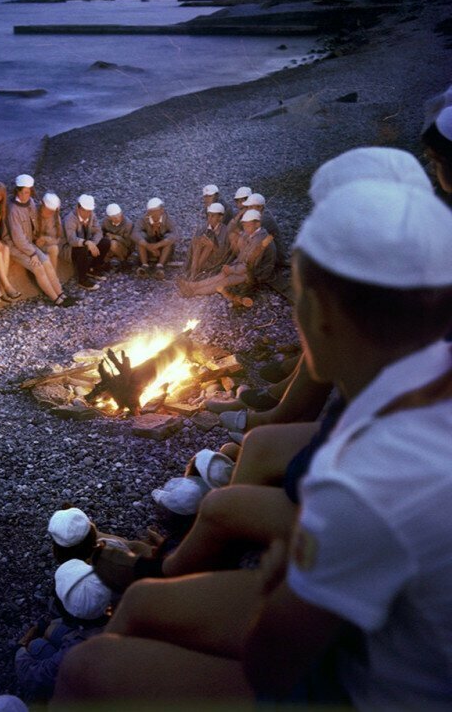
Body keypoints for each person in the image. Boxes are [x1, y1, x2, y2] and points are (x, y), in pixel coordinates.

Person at [53, 165, 452, 709]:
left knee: (85, 668)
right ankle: (164, 581)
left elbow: (276, 659)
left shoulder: (372, 482)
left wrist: (280, 577)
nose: (300, 322)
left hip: (357, 678)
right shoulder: (416, 384)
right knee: (149, 595)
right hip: (360, 623)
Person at [15, 559, 111, 702]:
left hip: (94, 687)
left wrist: (21, 649)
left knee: (36, 646)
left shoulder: (77, 650)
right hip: (100, 638)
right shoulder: (123, 603)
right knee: (52, 629)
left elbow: (36, 677)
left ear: (68, 614)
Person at [177, 209, 276, 307]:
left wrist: (233, 270)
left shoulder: (260, 239)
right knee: (222, 275)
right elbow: (243, 257)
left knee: (225, 280)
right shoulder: (252, 233)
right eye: (244, 225)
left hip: (257, 274)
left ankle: (194, 292)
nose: (245, 228)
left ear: (257, 224)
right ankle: (192, 286)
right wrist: (232, 268)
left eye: (248, 226)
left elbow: (251, 264)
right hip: (246, 268)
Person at [5, 175, 75, 307]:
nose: (27, 195)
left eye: (29, 191)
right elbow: (18, 238)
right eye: (24, 192)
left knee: (46, 262)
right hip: (16, 246)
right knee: (38, 267)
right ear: (17, 191)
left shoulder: (30, 202)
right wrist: (32, 253)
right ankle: (56, 299)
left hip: (28, 244)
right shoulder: (13, 210)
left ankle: (61, 293)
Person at [62, 194, 110, 291]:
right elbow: (72, 240)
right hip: (69, 248)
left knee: (105, 242)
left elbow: (98, 231)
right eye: (86, 211)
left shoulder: (92, 215)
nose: (88, 213)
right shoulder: (70, 219)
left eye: (90, 211)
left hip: (86, 243)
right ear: (79, 208)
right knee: (82, 249)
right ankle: (82, 279)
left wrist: (93, 243)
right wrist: (86, 243)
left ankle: (93, 268)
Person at [134, 197, 178, 279]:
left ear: (162, 210)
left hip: (162, 249)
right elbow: (135, 233)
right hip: (148, 247)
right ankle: (144, 265)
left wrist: (157, 245)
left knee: (169, 239)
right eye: (151, 211)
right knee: (141, 237)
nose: (153, 214)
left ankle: (160, 266)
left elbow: (175, 235)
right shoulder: (143, 219)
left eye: (155, 211)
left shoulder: (168, 219)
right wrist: (148, 246)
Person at [185, 202, 231, 280]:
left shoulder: (226, 231)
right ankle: (194, 272)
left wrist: (212, 246)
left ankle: (194, 273)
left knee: (209, 245)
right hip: (200, 258)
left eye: (213, 216)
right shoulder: (203, 228)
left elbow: (224, 254)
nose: (209, 218)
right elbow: (192, 249)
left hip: (215, 261)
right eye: (208, 215)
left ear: (220, 218)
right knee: (198, 241)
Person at [243, 192, 286, 266]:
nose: (247, 210)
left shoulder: (264, 219)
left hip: (274, 256)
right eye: (247, 207)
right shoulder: (259, 214)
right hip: (267, 245)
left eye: (250, 207)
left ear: (260, 207)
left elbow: (251, 235)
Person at [35, 192, 64, 272]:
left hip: (47, 244)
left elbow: (58, 238)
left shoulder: (55, 218)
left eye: (52, 211)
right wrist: (37, 240)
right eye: (48, 210)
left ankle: (53, 277)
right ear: (42, 205)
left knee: (54, 249)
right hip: (33, 246)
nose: (49, 213)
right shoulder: (34, 213)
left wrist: (46, 239)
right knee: (45, 258)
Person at [101, 203, 135, 268]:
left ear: (121, 213)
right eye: (114, 217)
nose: (117, 219)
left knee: (113, 244)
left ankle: (123, 261)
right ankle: (106, 261)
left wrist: (114, 237)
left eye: (118, 216)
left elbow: (128, 243)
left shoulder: (128, 224)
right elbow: (101, 233)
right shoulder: (105, 222)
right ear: (109, 218)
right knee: (103, 242)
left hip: (125, 249)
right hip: (110, 246)